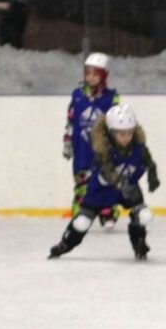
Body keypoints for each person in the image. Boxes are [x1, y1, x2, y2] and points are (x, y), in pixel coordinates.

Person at [47, 103, 160, 262]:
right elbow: (107, 171)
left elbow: (148, 160)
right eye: (121, 134)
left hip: (128, 187)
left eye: (129, 133)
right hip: (101, 189)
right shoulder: (103, 149)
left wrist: (152, 174)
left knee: (143, 215)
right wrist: (121, 184)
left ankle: (139, 242)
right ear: (111, 133)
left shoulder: (138, 146)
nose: (126, 137)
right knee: (82, 222)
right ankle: (66, 243)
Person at [63, 53, 121, 225]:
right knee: (82, 180)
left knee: (105, 180)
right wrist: (67, 141)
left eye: (96, 74)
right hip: (81, 147)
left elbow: (116, 122)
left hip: (102, 148)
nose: (91, 77)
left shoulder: (111, 97)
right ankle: (82, 212)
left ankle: (107, 212)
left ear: (104, 75)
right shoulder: (77, 96)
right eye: (88, 73)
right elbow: (71, 119)